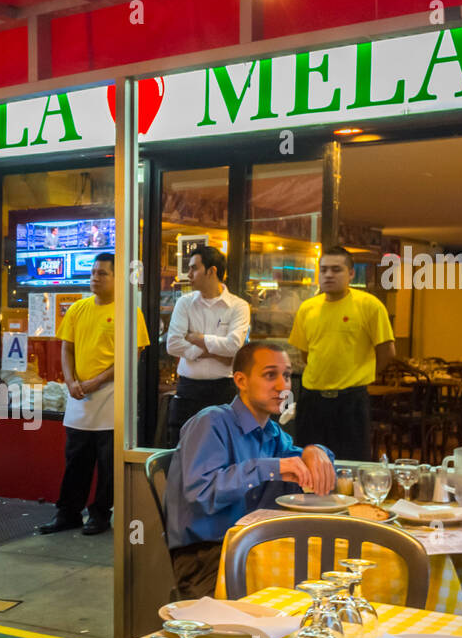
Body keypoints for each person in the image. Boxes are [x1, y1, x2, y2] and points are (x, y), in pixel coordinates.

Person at [165, 342, 336, 599]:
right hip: (209, 557)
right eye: (270, 375)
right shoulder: (211, 422)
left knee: (327, 581)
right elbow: (201, 494)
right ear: (241, 380)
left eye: (287, 375)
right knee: (309, 592)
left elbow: (300, 465)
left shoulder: (272, 432)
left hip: (255, 549)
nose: (283, 386)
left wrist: (316, 452)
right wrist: (269, 468)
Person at [37, 251, 150, 536]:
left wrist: (96, 381)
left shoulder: (128, 312)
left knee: (108, 462)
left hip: (111, 395)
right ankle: (68, 513)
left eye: (103, 273)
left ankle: (100, 514)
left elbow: (131, 355)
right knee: (76, 459)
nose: (95, 278)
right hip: (79, 396)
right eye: (93, 273)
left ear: (117, 277)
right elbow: (67, 347)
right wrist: (70, 381)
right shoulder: (78, 309)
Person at [288, 245, 395, 461]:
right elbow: (305, 354)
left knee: (351, 465)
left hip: (351, 401)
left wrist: (360, 375)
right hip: (312, 399)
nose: (328, 275)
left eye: (336, 269)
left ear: (351, 273)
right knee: (308, 463)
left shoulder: (369, 305)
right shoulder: (307, 308)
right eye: (324, 269)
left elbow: (387, 352)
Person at [164, 246, 251, 446]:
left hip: (223, 390)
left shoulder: (239, 306)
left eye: (194, 268)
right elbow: (173, 344)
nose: (189, 274)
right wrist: (212, 352)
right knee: (181, 451)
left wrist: (197, 338)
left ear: (211, 271)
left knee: (224, 450)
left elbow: (234, 347)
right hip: (188, 390)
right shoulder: (185, 303)